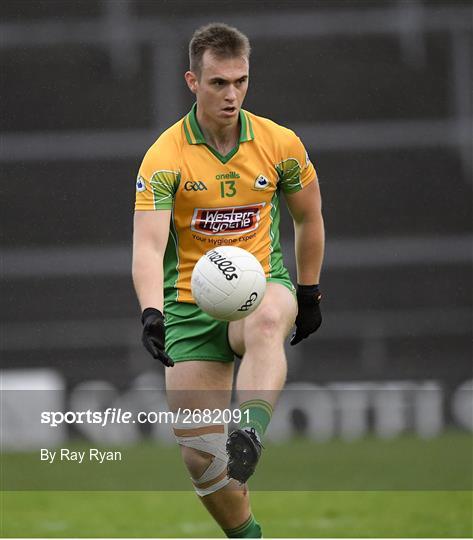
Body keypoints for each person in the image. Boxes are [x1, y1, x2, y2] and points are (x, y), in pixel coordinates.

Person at [132, 22, 324, 539]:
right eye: (219, 83)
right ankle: (249, 537)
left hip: (263, 286)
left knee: (264, 323)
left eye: (240, 81)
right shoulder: (165, 156)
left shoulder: (279, 143)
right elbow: (148, 248)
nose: (232, 94)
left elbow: (310, 217)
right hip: (192, 306)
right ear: (192, 81)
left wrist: (308, 293)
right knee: (200, 459)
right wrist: (152, 313)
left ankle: (251, 431)